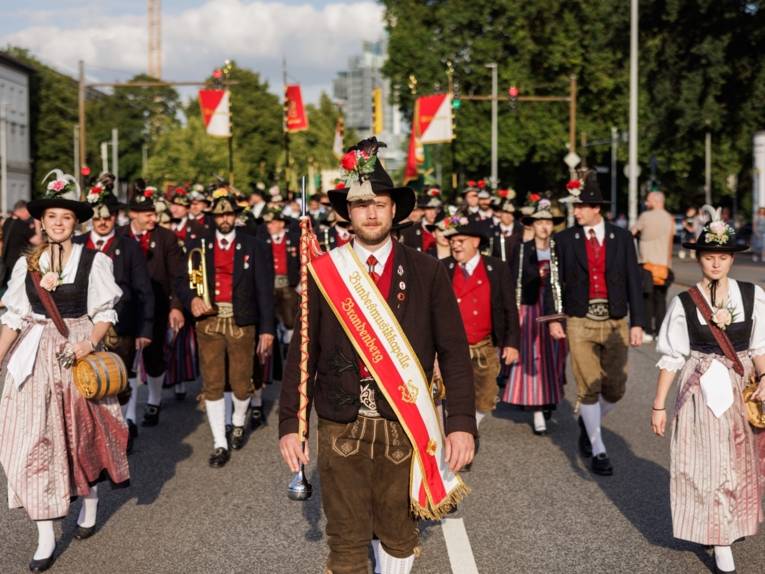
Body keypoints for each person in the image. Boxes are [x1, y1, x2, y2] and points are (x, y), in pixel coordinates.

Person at [279, 138, 475, 574]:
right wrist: (292, 425)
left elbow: (455, 355)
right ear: (348, 212)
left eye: (380, 204)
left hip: (402, 423)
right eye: (361, 204)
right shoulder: (325, 272)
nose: (371, 212)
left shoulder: (427, 271)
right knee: (346, 542)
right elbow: (302, 355)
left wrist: (461, 425)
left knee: (398, 536)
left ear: (393, 210)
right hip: (340, 424)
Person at [0, 170, 129, 572]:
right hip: (34, 357)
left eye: (66, 218)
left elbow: (104, 313)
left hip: (77, 354)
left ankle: (88, 502)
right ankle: (44, 535)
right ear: (42, 221)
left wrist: (87, 344)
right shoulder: (27, 265)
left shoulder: (94, 261)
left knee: (81, 436)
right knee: (28, 443)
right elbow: (15, 317)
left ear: (76, 223)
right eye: (52, 216)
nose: (58, 223)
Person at [650, 206, 765, 574]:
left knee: (737, 464)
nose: (716, 264)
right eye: (709, 257)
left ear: (731, 259)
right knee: (707, 465)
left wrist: (764, 379)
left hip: (740, 385)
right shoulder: (684, 303)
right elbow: (671, 355)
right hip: (699, 390)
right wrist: (658, 405)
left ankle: (728, 525)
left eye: (722, 257)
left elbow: (760, 347)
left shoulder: (752, 295)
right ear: (699, 258)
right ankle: (718, 540)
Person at [546, 171, 644, 476]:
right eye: (574, 207)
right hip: (579, 319)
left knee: (615, 389)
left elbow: (632, 280)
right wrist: (554, 318)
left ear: (596, 208)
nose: (575, 212)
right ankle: (598, 450)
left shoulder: (622, 237)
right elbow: (554, 280)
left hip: (615, 320)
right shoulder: (563, 239)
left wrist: (638, 322)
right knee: (588, 386)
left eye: (580, 207)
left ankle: (587, 422)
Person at [181, 189, 275, 467]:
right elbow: (182, 281)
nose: (225, 218)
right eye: (220, 214)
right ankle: (219, 443)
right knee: (212, 383)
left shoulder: (254, 245)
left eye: (229, 213)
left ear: (236, 216)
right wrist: (191, 299)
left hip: (241, 321)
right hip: (209, 321)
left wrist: (267, 329)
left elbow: (264, 291)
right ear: (213, 217)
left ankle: (237, 421)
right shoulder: (199, 243)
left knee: (241, 381)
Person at [74, 178, 154, 453]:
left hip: (123, 324)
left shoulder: (129, 246)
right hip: (83, 325)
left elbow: (144, 290)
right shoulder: (77, 245)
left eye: (108, 216)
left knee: (123, 377)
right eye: (98, 216)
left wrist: (146, 329)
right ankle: (94, 431)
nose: (103, 222)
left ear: (115, 217)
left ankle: (124, 424)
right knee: (86, 379)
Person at [442, 219, 520, 461]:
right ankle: (457, 439)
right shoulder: (442, 267)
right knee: (450, 395)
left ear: (476, 242)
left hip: (484, 345)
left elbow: (509, 308)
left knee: (485, 396)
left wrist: (512, 342)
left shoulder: (497, 268)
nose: (455, 246)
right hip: (452, 347)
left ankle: (470, 428)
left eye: (460, 241)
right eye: (452, 241)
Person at [119, 182, 187, 427]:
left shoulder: (166, 237)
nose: (153, 218)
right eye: (148, 214)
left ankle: (154, 400)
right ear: (133, 214)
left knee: (154, 359)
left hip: (157, 306)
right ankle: (129, 416)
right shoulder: (120, 236)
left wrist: (176, 306)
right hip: (126, 309)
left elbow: (178, 276)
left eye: (155, 214)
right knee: (127, 362)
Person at [503, 198, 567, 435]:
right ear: (532, 224)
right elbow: (511, 281)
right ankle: (536, 406)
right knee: (532, 355)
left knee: (556, 354)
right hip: (530, 306)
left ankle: (551, 394)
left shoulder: (558, 249)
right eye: (540, 222)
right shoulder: (521, 250)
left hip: (554, 307)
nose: (544, 227)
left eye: (548, 222)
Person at [632, 191, 675, 340]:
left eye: (648, 200)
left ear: (656, 201)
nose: (645, 203)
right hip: (664, 265)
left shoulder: (645, 216)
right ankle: (660, 332)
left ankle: (648, 331)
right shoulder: (670, 218)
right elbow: (670, 242)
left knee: (647, 299)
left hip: (647, 265)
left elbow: (633, 232)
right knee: (661, 299)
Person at [1, 199, 42, 288]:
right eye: (28, 212)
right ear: (23, 210)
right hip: (18, 264)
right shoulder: (21, 225)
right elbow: (38, 242)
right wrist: (38, 225)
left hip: (6, 262)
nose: (29, 215)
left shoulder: (7, 221)